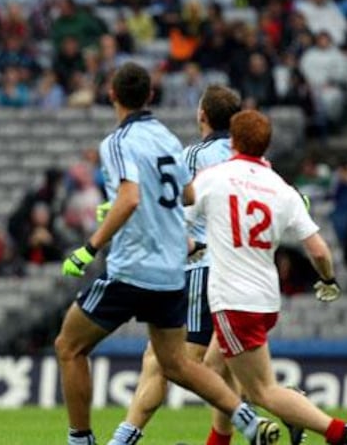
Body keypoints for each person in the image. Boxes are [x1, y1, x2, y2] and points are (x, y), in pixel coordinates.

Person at [54, 64, 279, 445]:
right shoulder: (168, 138)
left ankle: (82, 440)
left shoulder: (118, 141)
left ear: (112, 95)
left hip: (138, 266)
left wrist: (90, 247)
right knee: (176, 363)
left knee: (69, 347)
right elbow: (188, 195)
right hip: (176, 272)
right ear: (151, 96)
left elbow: (130, 197)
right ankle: (247, 420)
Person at [188, 109, 347, 445]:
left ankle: (338, 432)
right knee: (217, 368)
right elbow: (318, 250)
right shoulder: (281, 188)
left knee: (259, 391)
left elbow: (177, 223)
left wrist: (189, 247)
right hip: (267, 301)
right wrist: (328, 281)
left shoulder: (214, 177)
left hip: (234, 299)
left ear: (233, 141)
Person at [112, 85, 242, 444]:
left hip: (201, 267)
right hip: (243, 270)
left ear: (202, 115)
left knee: (165, 362)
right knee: (225, 364)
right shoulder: (249, 157)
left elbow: (157, 202)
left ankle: (122, 440)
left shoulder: (194, 156)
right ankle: (285, 408)